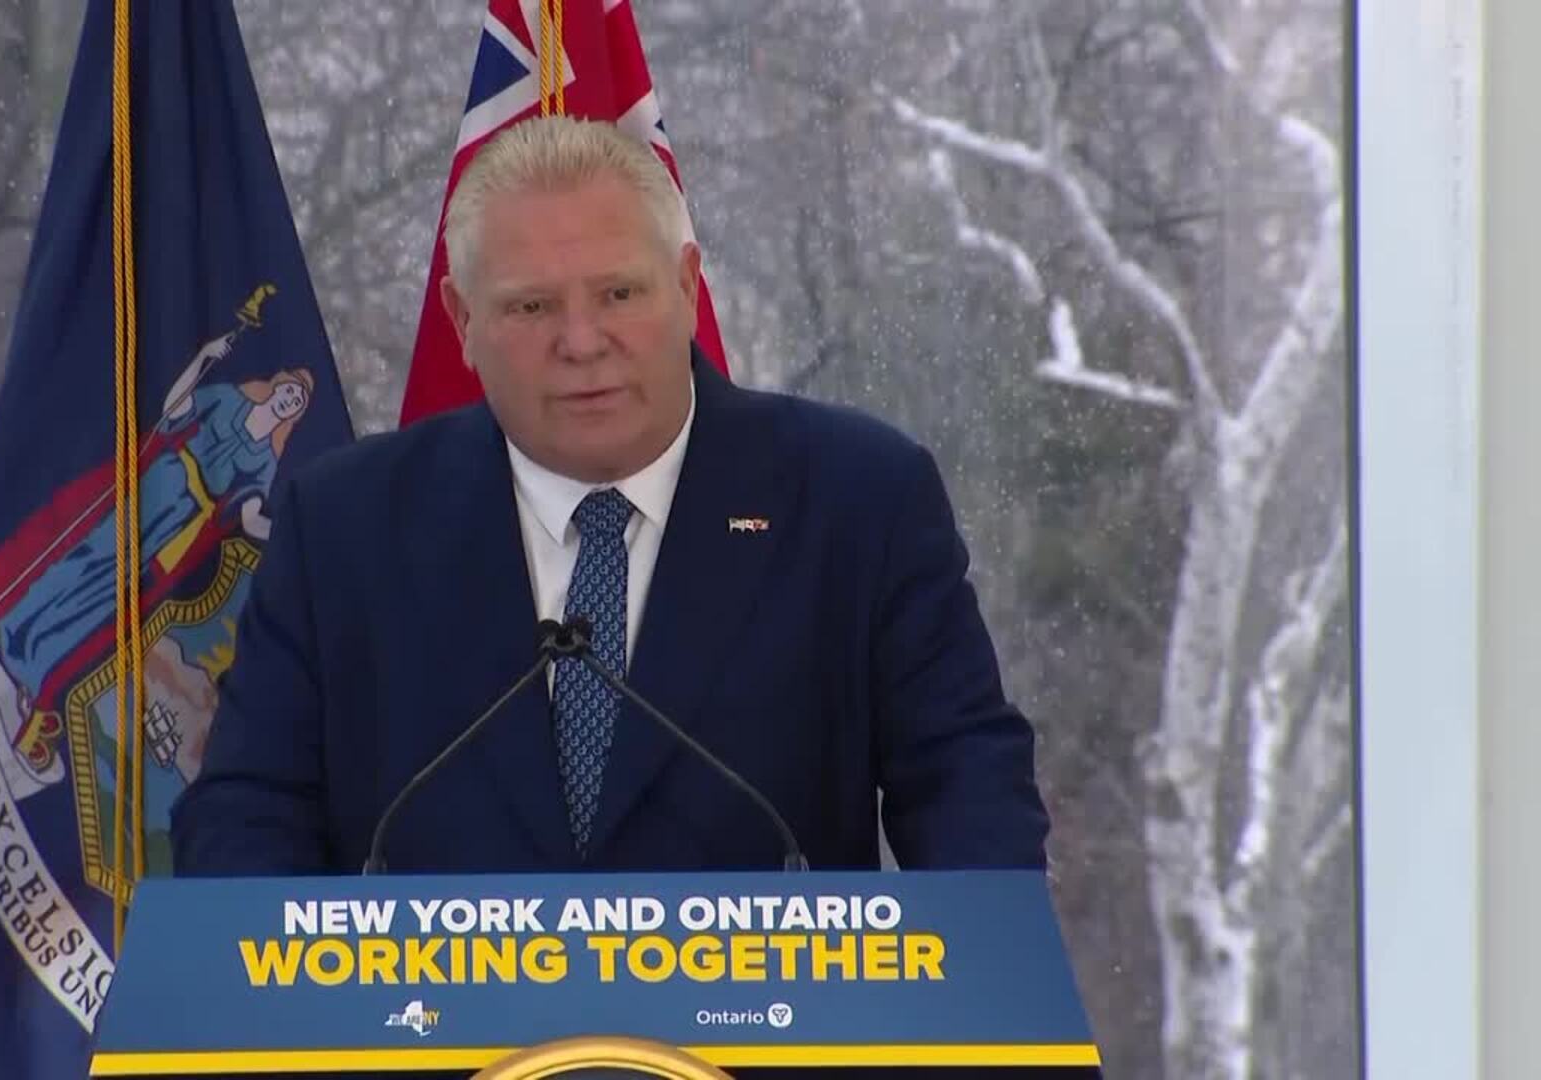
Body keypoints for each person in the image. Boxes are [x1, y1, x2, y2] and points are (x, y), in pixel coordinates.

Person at [169, 115, 1048, 877]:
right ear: (463, 322)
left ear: (686, 286)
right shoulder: (345, 528)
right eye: (531, 308)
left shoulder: (858, 499)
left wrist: (984, 982)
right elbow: (248, 818)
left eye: (619, 294)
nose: (582, 342)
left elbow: (968, 788)